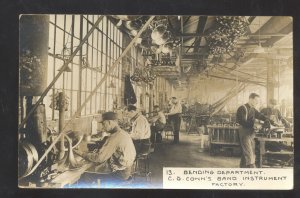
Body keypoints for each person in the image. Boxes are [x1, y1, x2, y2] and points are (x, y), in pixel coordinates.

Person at [74, 112, 136, 182]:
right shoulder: (123, 133)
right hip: (127, 170)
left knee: (85, 174)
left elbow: (99, 158)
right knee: (92, 168)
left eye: (103, 124)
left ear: (109, 122)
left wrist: (81, 153)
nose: (103, 127)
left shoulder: (114, 137)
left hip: (119, 174)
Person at [236, 93, 272, 168]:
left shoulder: (253, 109)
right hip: (244, 133)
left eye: (258, 101)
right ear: (251, 99)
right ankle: (252, 169)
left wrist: (270, 121)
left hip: (251, 133)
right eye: (256, 100)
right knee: (249, 153)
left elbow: (260, 116)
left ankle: (242, 169)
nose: (257, 102)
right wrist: (254, 125)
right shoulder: (242, 108)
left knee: (248, 151)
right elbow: (242, 121)